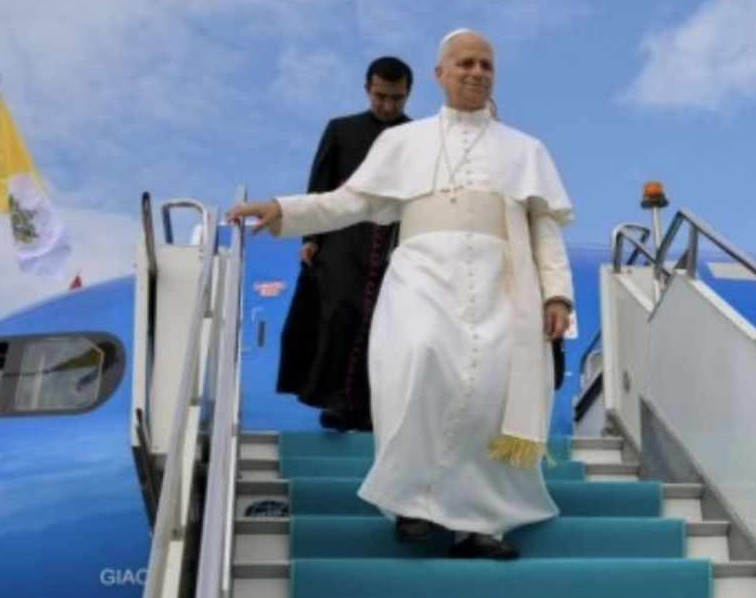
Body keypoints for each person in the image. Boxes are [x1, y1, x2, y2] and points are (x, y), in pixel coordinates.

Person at [229, 29, 573, 560]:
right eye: (465, 64)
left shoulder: (526, 150)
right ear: (440, 73)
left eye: (485, 64)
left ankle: (479, 524)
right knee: (419, 361)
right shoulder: (401, 143)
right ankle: (413, 504)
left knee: (490, 392)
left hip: (503, 283)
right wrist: (284, 209)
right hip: (423, 276)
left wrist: (558, 297)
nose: (477, 72)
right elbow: (349, 202)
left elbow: (544, 230)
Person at [276, 56, 413, 431]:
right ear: (367, 89)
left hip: (395, 239)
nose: (387, 106)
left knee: (385, 322)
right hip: (342, 236)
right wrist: (310, 237)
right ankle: (338, 402)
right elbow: (319, 184)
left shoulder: (417, 137)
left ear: (408, 95)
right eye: (381, 96)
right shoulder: (340, 129)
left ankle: (372, 410)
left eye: (396, 99)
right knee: (339, 314)